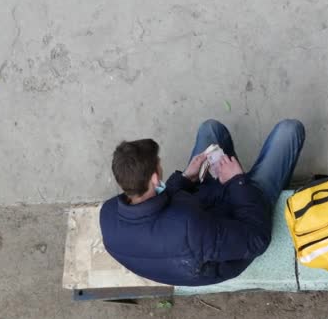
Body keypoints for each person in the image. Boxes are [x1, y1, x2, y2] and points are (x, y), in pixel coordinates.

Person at [100, 119, 305, 286]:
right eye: (159, 163)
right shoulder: (188, 226)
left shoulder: (108, 216)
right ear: (155, 178)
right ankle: (264, 186)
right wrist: (237, 182)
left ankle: (231, 173)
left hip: (200, 225)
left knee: (211, 128)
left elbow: (154, 215)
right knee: (289, 130)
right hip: (237, 223)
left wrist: (184, 180)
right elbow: (256, 239)